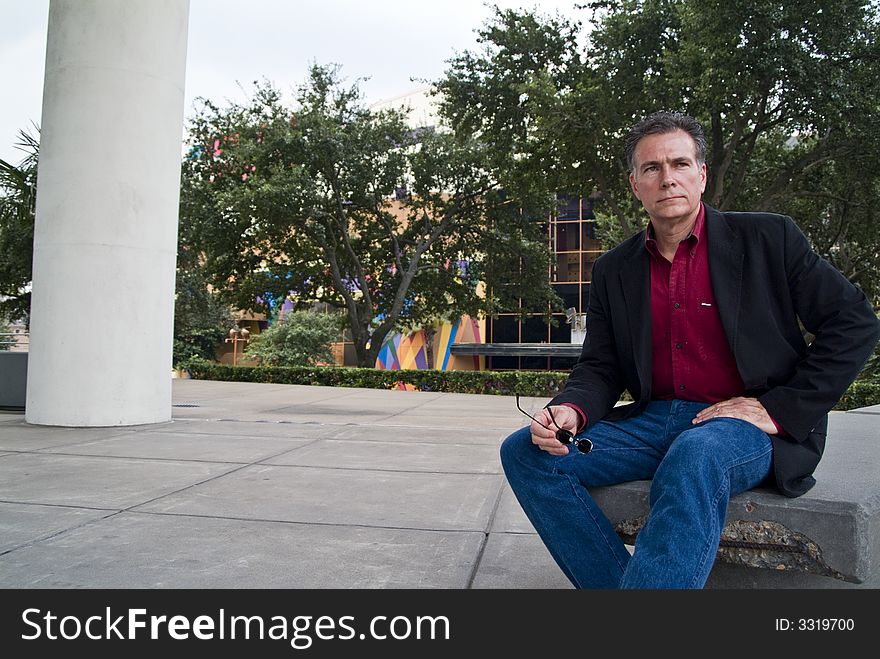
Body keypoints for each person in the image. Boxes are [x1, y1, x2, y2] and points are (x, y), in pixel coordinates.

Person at [500, 110, 880, 589]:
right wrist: (571, 409)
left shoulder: (769, 238)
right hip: (654, 420)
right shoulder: (614, 270)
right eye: (652, 168)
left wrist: (778, 409)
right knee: (527, 452)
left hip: (739, 429)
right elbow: (600, 365)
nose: (667, 178)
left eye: (679, 164)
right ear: (635, 185)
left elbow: (855, 323)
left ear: (701, 175)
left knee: (695, 455)